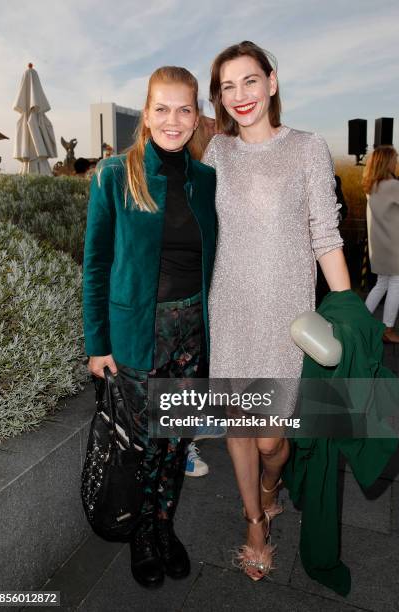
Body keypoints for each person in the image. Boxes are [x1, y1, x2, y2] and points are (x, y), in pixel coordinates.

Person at [203, 41, 351, 581]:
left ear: (272, 81)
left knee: (272, 441)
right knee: (238, 431)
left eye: (249, 81)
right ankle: (254, 523)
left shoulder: (309, 148)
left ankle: (270, 486)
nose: (240, 95)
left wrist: (345, 308)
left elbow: (325, 236)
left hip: (287, 318)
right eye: (227, 86)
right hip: (230, 307)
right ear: (219, 97)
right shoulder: (217, 153)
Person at [82, 66, 216, 588]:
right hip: (138, 332)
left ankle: (164, 527)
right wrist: (97, 344)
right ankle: (141, 533)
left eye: (184, 108)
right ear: (146, 112)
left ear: (196, 115)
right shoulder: (116, 174)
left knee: (176, 439)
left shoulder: (206, 179)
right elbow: (95, 264)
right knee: (143, 442)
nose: (173, 119)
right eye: (161, 108)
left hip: (191, 334)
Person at [363, 145, 399, 343]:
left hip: (379, 247)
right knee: (396, 284)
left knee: (381, 284)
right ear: (387, 162)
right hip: (394, 246)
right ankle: (387, 328)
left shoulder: (371, 186)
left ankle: (361, 321)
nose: (397, 162)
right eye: (395, 158)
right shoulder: (393, 186)